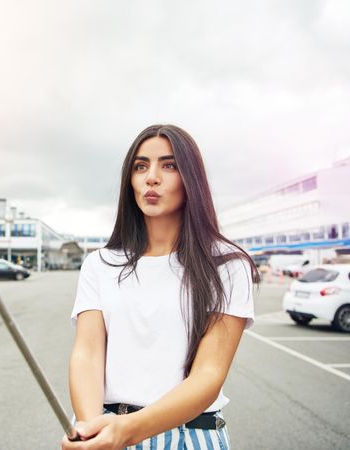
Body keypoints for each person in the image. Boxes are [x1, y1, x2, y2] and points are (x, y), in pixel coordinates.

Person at [61, 124, 259, 450]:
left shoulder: (227, 265)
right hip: (107, 431)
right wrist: (91, 429)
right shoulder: (100, 263)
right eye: (141, 166)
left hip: (191, 436)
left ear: (191, 179)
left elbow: (208, 374)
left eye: (168, 165)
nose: (151, 177)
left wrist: (128, 430)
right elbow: (87, 353)